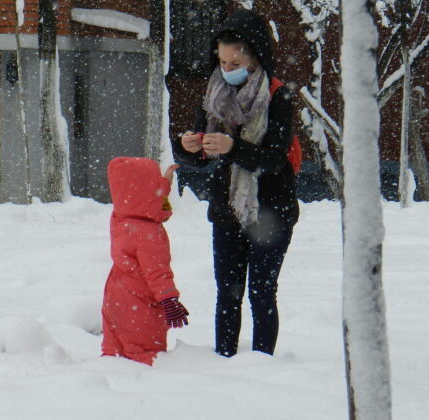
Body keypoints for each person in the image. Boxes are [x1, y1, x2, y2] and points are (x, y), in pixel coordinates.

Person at [172, 9, 299, 357]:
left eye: (234, 62)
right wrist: (188, 147)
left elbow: (274, 157)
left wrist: (234, 147)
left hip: (271, 209)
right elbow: (198, 156)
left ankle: (262, 363)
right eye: (222, 62)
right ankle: (223, 359)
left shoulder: (278, 97)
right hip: (227, 208)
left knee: (261, 290)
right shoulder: (214, 94)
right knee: (227, 292)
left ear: (255, 57)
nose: (226, 70)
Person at [101, 157, 189, 365]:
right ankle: (144, 393)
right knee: (144, 355)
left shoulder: (120, 217)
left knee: (114, 355)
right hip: (141, 303)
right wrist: (169, 300)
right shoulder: (149, 232)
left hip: (115, 298)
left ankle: (106, 390)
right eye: (155, 182)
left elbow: (147, 203)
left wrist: (164, 184)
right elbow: (157, 272)